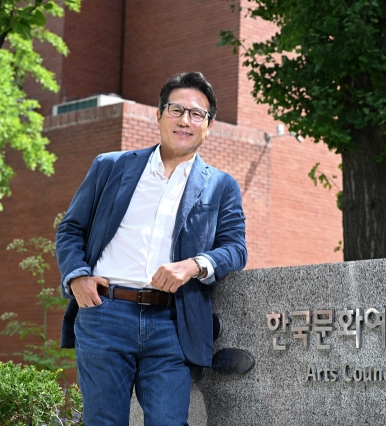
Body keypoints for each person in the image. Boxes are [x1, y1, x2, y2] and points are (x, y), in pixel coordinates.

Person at [56, 71, 247, 425]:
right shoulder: (111, 166)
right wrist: (77, 277)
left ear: (209, 125)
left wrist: (194, 265)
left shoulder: (221, 185)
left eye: (196, 114)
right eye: (176, 110)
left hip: (172, 322)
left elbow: (235, 248)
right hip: (106, 313)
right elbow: (71, 229)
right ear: (158, 114)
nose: (185, 121)